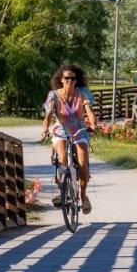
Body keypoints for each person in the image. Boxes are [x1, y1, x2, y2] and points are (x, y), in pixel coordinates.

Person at [40, 63, 98, 212]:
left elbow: (89, 111)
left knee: (83, 162)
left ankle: (83, 196)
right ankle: (62, 191)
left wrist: (92, 124)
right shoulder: (53, 95)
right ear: (61, 79)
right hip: (60, 129)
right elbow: (48, 115)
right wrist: (45, 128)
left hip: (79, 129)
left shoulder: (83, 93)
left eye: (73, 78)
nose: (70, 81)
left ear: (76, 80)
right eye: (67, 78)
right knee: (62, 160)